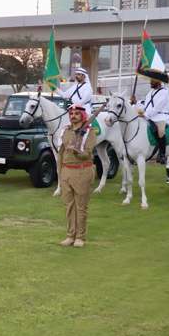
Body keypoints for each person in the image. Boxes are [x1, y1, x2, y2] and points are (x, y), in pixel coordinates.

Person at [58, 104, 97, 248]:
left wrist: (76, 151)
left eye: (76, 113)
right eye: (71, 113)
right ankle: (70, 235)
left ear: (83, 116)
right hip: (66, 171)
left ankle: (80, 237)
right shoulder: (65, 131)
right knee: (69, 206)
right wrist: (60, 172)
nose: (73, 115)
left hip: (82, 170)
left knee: (81, 206)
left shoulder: (89, 132)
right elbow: (60, 152)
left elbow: (88, 153)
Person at [131, 76, 169, 163]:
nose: (150, 82)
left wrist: (145, 115)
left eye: (152, 81)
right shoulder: (150, 92)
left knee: (160, 131)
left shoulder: (164, 92)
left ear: (158, 81)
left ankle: (162, 154)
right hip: (150, 116)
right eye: (151, 81)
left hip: (161, 116)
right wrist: (136, 103)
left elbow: (157, 108)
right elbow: (146, 105)